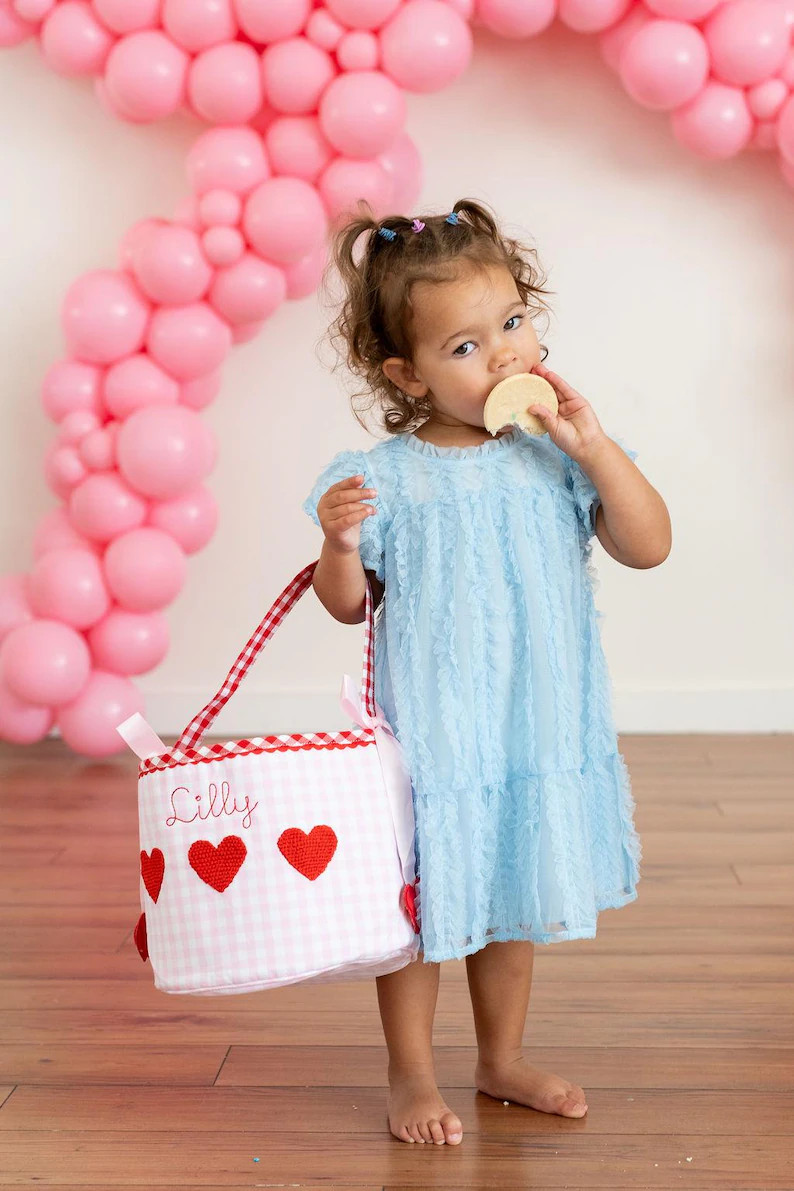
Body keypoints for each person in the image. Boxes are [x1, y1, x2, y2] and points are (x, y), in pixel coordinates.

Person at [302, 198, 672, 1147]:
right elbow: (346, 603)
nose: (505, 354)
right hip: (433, 730)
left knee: (507, 886)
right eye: (465, 346)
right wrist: (340, 541)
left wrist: (593, 448)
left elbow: (651, 545)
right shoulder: (386, 475)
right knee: (424, 904)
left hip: (535, 720)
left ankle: (501, 1056)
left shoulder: (558, 458)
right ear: (406, 374)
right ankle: (412, 1071)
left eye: (512, 323)